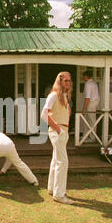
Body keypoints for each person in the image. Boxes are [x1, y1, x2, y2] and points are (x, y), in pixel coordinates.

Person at [40, 71, 73, 204]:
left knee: (56, 160)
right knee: (62, 162)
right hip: (57, 131)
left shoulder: (64, 96)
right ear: (59, 81)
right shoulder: (53, 95)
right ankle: (59, 194)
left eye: (69, 80)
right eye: (65, 80)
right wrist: (58, 129)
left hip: (63, 130)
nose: (68, 83)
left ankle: (52, 188)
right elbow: (43, 115)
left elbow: (65, 113)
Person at [81, 71, 100, 143]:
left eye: (83, 76)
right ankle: (86, 136)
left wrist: (84, 109)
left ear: (86, 76)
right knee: (88, 120)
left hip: (91, 103)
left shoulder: (88, 84)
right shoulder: (93, 83)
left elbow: (88, 97)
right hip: (93, 102)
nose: (83, 78)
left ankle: (92, 138)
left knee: (91, 120)